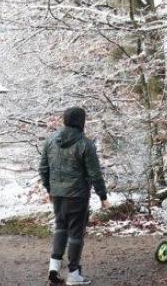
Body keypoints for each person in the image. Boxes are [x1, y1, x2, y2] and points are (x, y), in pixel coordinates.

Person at [39, 107, 109, 285]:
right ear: (81, 121)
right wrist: (103, 196)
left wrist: (50, 189)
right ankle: (74, 275)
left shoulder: (50, 141)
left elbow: (43, 169)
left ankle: (53, 268)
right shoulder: (86, 144)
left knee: (60, 227)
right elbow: (94, 174)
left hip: (58, 194)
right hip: (77, 195)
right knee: (76, 234)